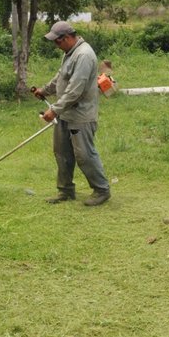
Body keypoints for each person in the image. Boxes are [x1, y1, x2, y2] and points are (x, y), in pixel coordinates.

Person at [32, 21, 111, 206]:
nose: (55, 46)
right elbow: (61, 77)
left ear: (66, 38)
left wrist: (54, 109)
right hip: (65, 115)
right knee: (62, 153)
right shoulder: (70, 52)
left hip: (80, 118)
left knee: (84, 154)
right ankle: (65, 191)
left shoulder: (84, 55)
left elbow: (76, 90)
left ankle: (101, 190)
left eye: (57, 42)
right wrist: (45, 90)